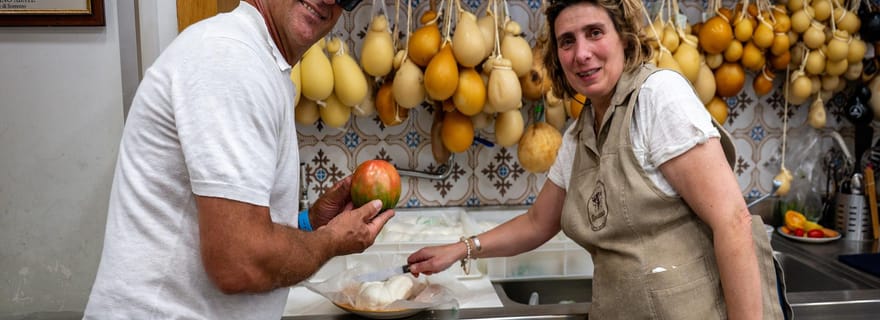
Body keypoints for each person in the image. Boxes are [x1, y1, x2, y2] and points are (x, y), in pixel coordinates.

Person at [407, 0, 788, 318]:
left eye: (594, 32)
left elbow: (733, 222)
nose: (581, 54)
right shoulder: (580, 132)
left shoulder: (658, 96)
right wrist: (461, 249)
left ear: (623, 38)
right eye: (566, 41)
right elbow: (539, 222)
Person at [83, 0, 393, 319]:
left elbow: (237, 228)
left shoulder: (258, 62)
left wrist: (311, 225)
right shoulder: (230, 59)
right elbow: (240, 263)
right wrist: (330, 241)